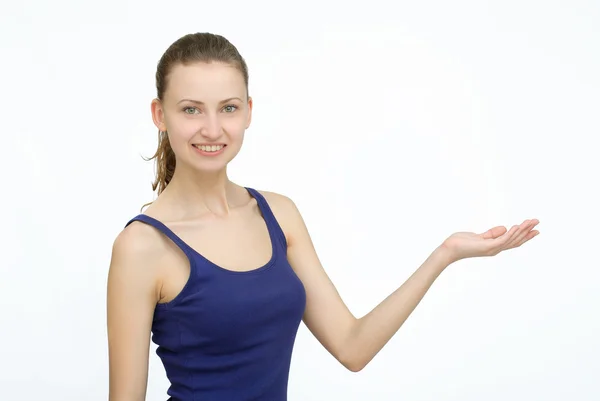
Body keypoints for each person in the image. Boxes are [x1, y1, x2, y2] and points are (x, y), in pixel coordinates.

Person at [106, 32, 540, 401]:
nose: (213, 129)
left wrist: (445, 254)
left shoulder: (279, 215)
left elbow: (353, 347)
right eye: (191, 109)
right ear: (160, 115)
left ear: (249, 111)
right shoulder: (142, 247)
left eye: (229, 107)